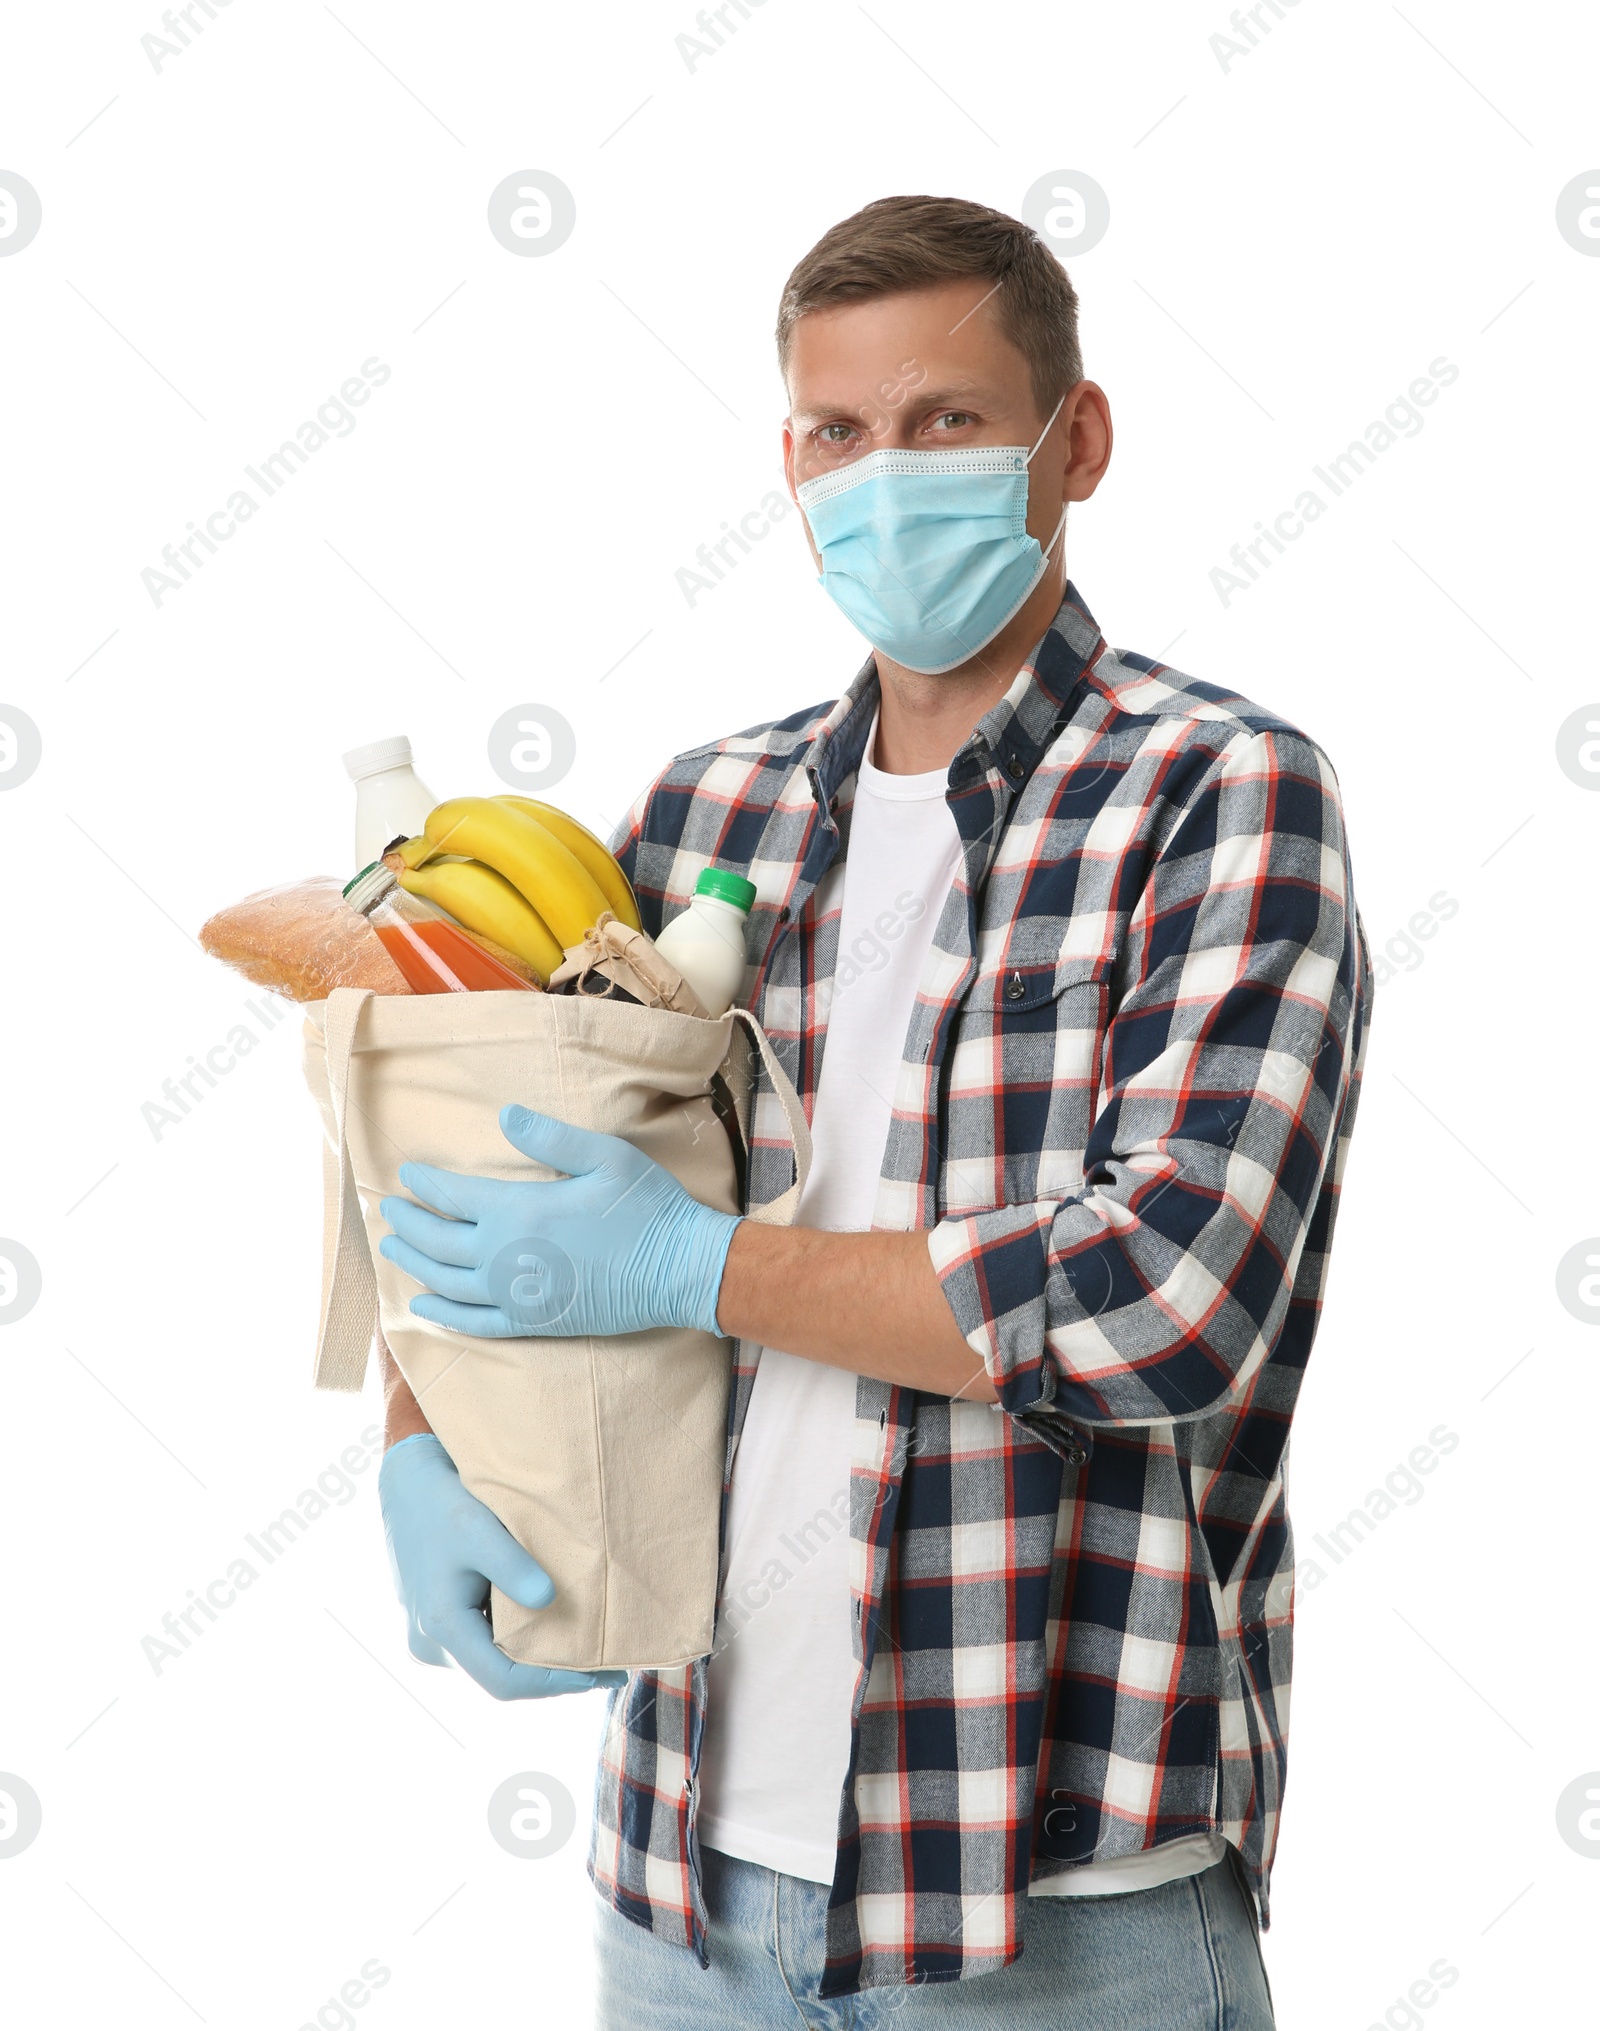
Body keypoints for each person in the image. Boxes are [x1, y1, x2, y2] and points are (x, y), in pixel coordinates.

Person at [372, 194, 1372, 2027]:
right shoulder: (709, 816)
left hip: (1054, 1914)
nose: (883, 474)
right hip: (680, 1886)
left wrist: (687, 1261)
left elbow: (1166, 1297)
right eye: (840, 432)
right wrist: (416, 1429)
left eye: (946, 423)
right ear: (789, 458)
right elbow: (476, 1129)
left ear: (1075, 439)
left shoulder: (1218, 793)